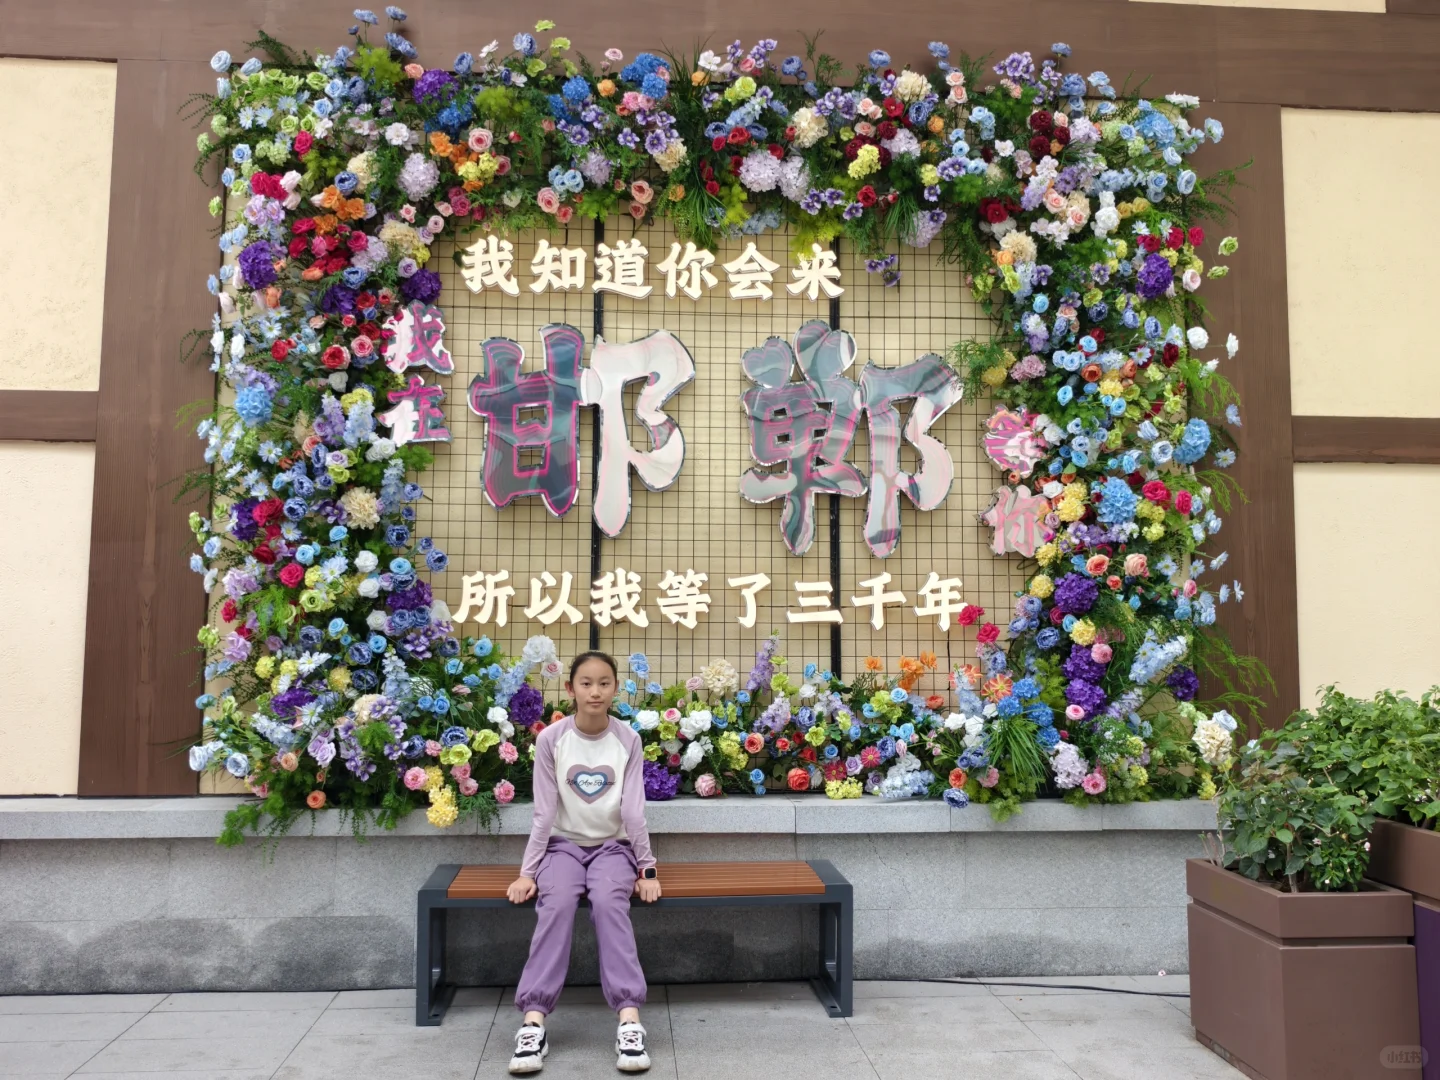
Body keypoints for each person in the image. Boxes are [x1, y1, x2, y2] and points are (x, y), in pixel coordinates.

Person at [505, 650, 661, 1074]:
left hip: (613, 849)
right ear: (570, 688)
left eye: (605, 683)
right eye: (586, 683)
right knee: (554, 906)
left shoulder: (628, 739)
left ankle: (629, 1021)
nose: (595, 691)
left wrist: (646, 869)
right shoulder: (551, 740)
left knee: (611, 904)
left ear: (616, 688)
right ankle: (533, 1023)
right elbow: (543, 812)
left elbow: (633, 812)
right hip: (562, 847)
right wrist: (526, 872)